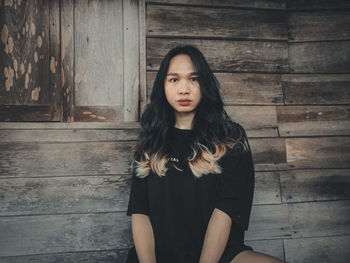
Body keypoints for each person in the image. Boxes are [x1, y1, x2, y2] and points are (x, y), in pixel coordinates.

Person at [125, 45, 286, 263]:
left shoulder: (230, 138)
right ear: (162, 85)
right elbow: (140, 212)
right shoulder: (150, 141)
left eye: (194, 79)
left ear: (205, 84)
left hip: (219, 254)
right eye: (174, 79)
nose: (184, 89)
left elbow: (225, 211)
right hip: (159, 255)